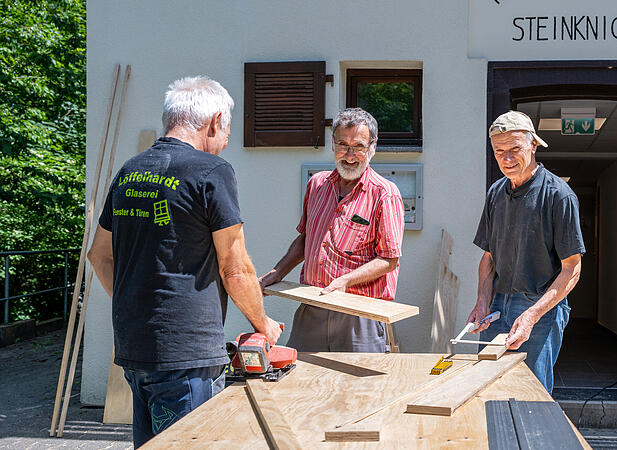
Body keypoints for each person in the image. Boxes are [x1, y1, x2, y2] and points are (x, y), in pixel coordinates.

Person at [86, 76, 283, 447]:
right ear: (214, 121)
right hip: (186, 357)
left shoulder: (131, 170)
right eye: (225, 132)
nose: (224, 143)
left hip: (135, 347)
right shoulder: (212, 171)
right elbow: (236, 268)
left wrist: (136, 305)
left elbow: (99, 255)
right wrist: (264, 323)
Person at [258, 107, 405, 352]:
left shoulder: (385, 194)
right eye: (342, 145)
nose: (349, 155)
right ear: (333, 145)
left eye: (358, 146)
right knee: (302, 383)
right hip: (312, 304)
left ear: (373, 148)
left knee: (358, 390)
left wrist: (345, 281)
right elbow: (306, 239)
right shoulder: (317, 184)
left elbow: (388, 260)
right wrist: (277, 272)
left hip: (359, 313)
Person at [466, 110, 585, 393]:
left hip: (539, 306)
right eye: (499, 151)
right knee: (491, 387)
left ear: (533, 145)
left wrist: (532, 315)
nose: (506, 159)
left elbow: (572, 269)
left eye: (515, 149)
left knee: (531, 391)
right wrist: (483, 302)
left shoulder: (559, 195)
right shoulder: (496, 192)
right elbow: (489, 258)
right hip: (497, 306)